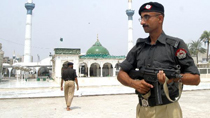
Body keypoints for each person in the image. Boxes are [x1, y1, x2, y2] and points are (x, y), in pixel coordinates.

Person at [117, 2, 200, 118]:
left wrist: (174, 78)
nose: (142, 22)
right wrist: (135, 84)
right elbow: (121, 73)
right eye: (141, 18)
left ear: (160, 18)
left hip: (167, 111)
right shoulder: (139, 47)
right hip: (143, 110)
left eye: (146, 17)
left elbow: (195, 79)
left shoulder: (175, 45)